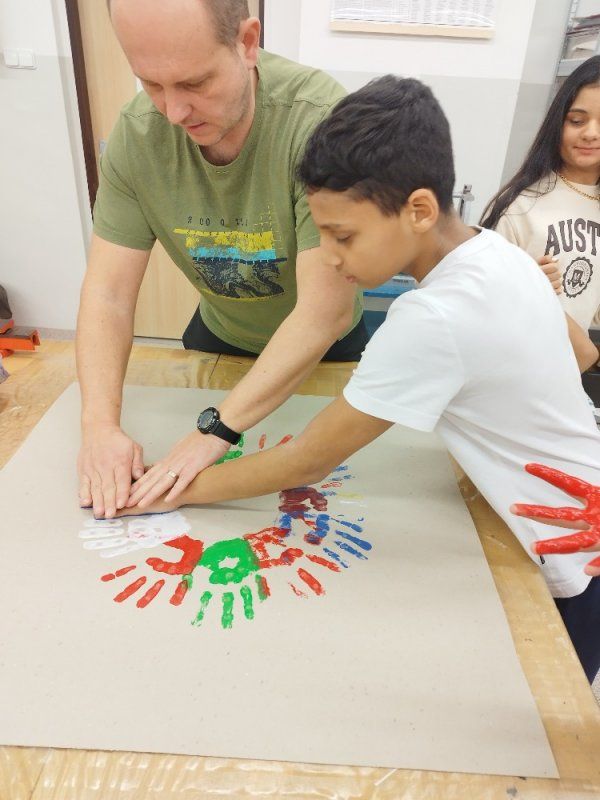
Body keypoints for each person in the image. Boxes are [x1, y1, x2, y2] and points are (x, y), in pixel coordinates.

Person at [117, 76, 600, 681]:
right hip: (584, 493)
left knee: (544, 707)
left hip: (567, 548)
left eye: (342, 236)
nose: (329, 254)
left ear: (419, 211)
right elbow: (582, 352)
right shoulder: (495, 251)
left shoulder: (431, 317)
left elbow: (306, 461)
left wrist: (172, 492)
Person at [76, 0, 366, 521]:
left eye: (194, 83)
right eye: (151, 83)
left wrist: (215, 430)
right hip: (220, 336)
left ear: (248, 43)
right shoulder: (138, 136)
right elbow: (108, 295)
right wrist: (99, 426)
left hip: (328, 351)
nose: (173, 112)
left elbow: (323, 313)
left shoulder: (321, 123)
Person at [481, 56, 600, 374]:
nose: (590, 133)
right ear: (557, 123)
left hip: (566, 374)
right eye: (577, 121)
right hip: (508, 370)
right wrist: (524, 282)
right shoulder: (520, 205)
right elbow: (477, 296)